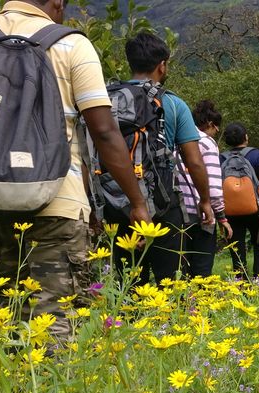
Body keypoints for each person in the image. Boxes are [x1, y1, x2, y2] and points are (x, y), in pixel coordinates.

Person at [0, 0, 152, 338]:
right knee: (57, 326)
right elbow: (104, 131)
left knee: (3, 326)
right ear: (57, 2)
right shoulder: (73, 44)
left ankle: (12, 389)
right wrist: (137, 202)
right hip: (59, 204)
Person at [108, 31, 214, 284]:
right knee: (172, 278)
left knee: (129, 282)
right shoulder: (173, 103)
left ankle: (130, 321)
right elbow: (194, 161)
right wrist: (206, 201)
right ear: (162, 65)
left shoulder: (107, 100)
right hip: (162, 201)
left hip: (118, 202)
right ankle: (171, 323)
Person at [176, 100, 231, 278]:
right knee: (201, 271)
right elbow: (213, 185)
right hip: (200, 214)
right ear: (210, 124)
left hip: (176, 213)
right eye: (217, 129)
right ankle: (199, 305)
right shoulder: (207, 142)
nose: (217, 133)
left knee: (180, 271)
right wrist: (221, 216)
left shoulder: (177, 139)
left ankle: (182, 305)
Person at [222, 122, 259, 280]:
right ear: (245, 137)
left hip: (230, 211)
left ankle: (240, 280)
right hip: (256, 210)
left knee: (236, 245)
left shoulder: (221, 157)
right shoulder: (257, 155)